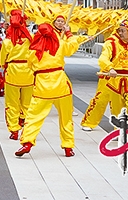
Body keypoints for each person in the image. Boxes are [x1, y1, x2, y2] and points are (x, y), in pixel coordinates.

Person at [15, 16, 86, 158]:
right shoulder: (59, 42)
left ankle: (27, 142)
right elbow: (71, 48)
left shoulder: (35, 48)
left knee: (34, 115)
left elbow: (30, 63)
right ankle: (68, 146)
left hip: (42, 85)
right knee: (65, 117)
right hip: (60, 83)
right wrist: (69, 34)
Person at [0, 10, 34, 140]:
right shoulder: (30, 38)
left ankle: (14, 130)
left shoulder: (8, 41)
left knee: (11, 103)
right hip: (28, 72)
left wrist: (4, 65)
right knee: (27, 103)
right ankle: (25, 126)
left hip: (13, 73)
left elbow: (2, 59)